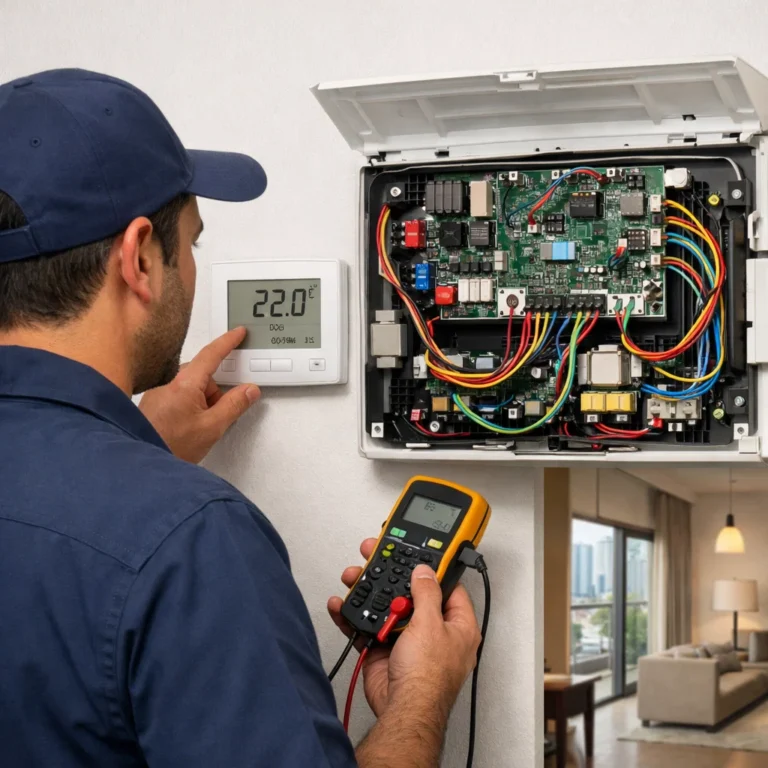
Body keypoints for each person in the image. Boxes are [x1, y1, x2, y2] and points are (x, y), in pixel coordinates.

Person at [0, 69, 481, 767]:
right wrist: (422, 696)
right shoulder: (191, 539)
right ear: (139, 258)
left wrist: (135, 451)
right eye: (193, 243)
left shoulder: (154, 522)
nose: (194, 271)